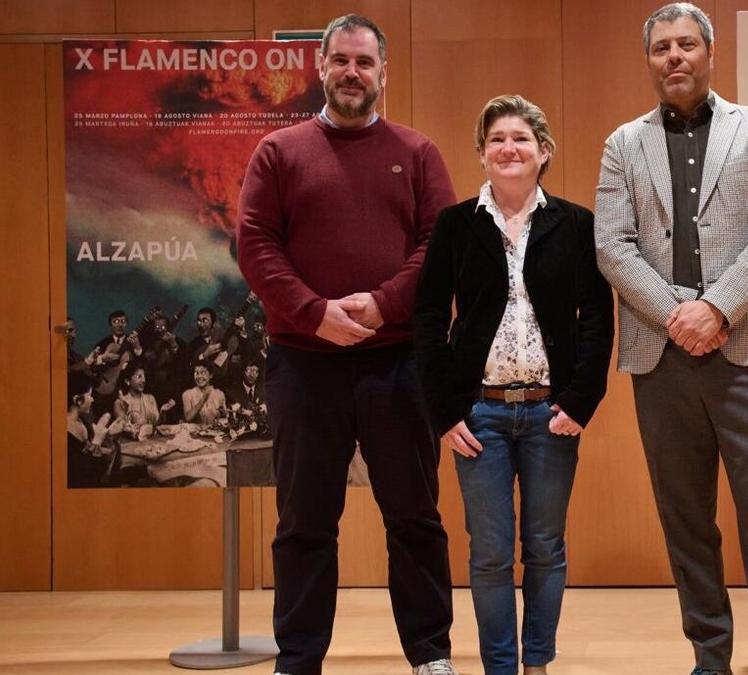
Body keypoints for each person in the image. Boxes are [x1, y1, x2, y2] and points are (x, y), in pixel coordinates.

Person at [593, 4, 748, 673]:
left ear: (711, 51)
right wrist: (676, 316)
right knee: (687, 524)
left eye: (686, 43)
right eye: (661, 47)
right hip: (662, 359)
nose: (674, 56)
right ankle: (710, 659)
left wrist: (714, 309)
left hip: (747, 353)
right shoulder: (621, 144)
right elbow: (612, 244)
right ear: (650, 60)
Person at [236, 13, 458, 675]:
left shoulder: (417, 153)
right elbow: (253, 244)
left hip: (398, 363)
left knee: (414, 515)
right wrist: (313, 313)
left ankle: (431, 654)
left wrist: (383, 302)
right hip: (304, 364)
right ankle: (298, 659)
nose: (352, 73)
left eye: (365, 62)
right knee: (304, 523)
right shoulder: (279, 152)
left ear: (383, 74)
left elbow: (439, 247)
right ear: (321, 68)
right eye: (341, 61)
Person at [414, 95, 613, 675]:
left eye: (521, 138)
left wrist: (580, 402)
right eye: (497, 138)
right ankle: (500, 668)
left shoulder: (575, 224)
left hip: (552, 413)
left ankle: (538, 665)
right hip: (480, 416)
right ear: (481, 153)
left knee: (546, 549)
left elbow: (597, 318)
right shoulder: (455, 225)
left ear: (543, 151)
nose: (509, 147)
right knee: (491, 554)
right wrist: (444, 412)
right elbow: (428, 317)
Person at [114, 363, 174, 439]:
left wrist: (162, 412)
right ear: (127, 381)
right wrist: (126, 409)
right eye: (139, 377)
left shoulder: (150, 398)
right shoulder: (119, 403)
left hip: (150, 443)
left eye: (144, 377)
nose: (143, 380)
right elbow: (124, 430)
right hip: (129, 446)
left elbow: (156, 425)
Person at [181, 361, 225, 425]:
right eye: (196, 373)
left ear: (211, 375)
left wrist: (225, 413)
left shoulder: (220, 394)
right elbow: (187, 418)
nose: (199, 376)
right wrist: (204, 398)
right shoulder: (187, 394)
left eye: (203, 373)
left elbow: (224, 418)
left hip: (215, 433)